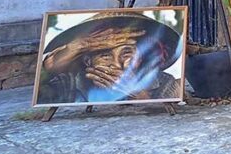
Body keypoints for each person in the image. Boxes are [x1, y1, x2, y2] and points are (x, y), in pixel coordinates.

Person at [37, 13, 183, 104]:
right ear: (88, 61)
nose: (116, 65)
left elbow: (165, 115)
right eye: (105, 55)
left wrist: (138, 93)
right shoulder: (68, 83)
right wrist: (73, 49)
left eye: (126, 54)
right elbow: (40, 93)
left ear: (140, 57)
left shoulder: (164, 83)